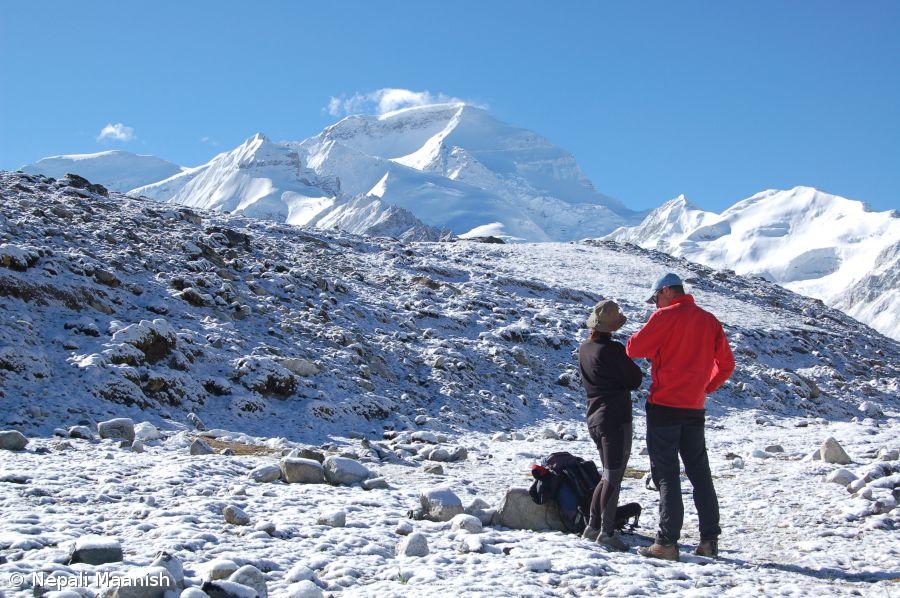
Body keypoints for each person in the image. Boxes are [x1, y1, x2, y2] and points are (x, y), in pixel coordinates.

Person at [626, 272, 735, 561]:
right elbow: (726, 364)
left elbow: (634, 349)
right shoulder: (708, 320)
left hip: (664, 407)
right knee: (700, 473)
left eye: (654, 299)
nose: (654, 305)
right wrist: (704, 387)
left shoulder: (665, 317)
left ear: (665, 292)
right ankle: (709, 540)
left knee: (667, 475)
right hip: (694, 408)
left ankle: (666, 543)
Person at [578, 299, 643, 551]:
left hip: (594, 417)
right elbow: (635, 378)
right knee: (613, 476)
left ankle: (592, 526)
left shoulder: (585, 348)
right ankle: (605, 531)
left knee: (606, 475)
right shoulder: (613, 350)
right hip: (616, 418)